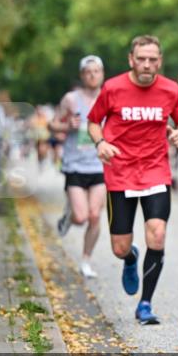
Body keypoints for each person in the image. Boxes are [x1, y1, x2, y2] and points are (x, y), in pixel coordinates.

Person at [87, 35, 178, 325]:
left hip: (155, 170)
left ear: (160, 61)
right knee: (119, 247)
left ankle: (145, 304)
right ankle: (130, 258)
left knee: (157, 234)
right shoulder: (112, 88)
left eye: (152, 59)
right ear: (131, 59)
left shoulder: (171, 90)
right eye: (141, 59)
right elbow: (93, 122)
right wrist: (100, 143)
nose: (146, 64)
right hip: (120, 173)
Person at [53, 55, 107, 279]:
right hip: (74, 165)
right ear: (82, 75)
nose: (92, 75)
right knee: (81, 217)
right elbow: (52, 124)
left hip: (100, 164)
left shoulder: (110, 96)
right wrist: (67, 125)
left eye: (96, 71)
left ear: (102, 74)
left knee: (94, 216)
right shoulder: (71, 99)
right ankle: (69, 216)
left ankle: (86, 260)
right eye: (88, 72)